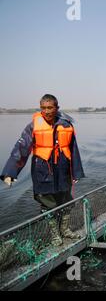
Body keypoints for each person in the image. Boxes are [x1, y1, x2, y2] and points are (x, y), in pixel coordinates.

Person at [1, 94, 85, 246]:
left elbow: (73, 149)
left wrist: (76, 172)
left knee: (66, 201)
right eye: (43, 108)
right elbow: (20, 149)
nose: (46, 111)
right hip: (42, 170)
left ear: (57, 108)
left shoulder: (66, 125)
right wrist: (10, 172)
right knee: (48, 204)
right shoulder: (33, 126)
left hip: (63, 170)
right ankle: (55, 235)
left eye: (50, 108)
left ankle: (65, 230)